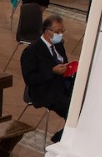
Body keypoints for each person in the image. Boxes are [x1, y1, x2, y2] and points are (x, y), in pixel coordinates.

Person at [20, 10, 73, 140]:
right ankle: (59, 139)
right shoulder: (31, 51)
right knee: (73, 112)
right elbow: (30, 78)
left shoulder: (59, 45)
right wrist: (52, 72)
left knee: (83, 104)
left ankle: (67, 137)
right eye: (57, 32)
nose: (60, 35)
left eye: (62, 31)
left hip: (62, 84)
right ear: (47, 32)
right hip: (45, 91)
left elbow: (63, 61)